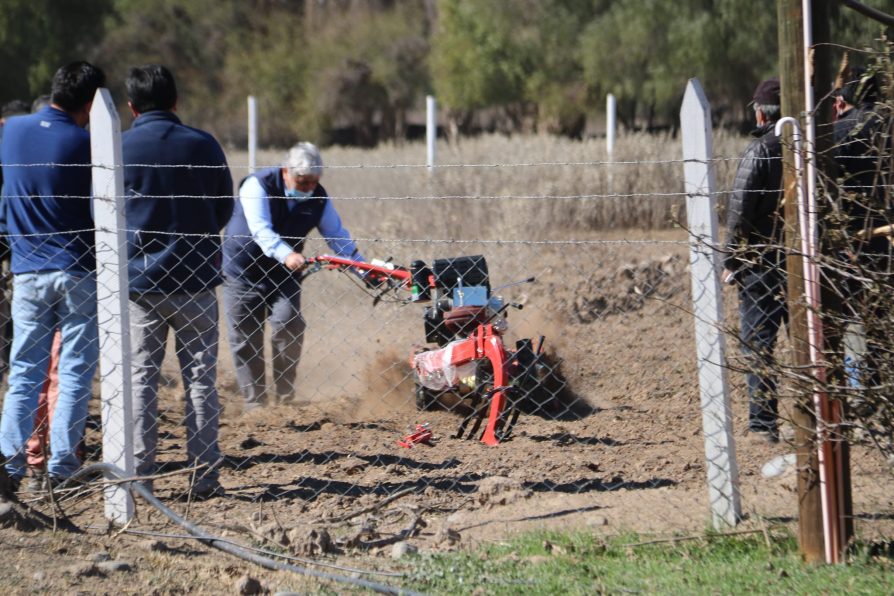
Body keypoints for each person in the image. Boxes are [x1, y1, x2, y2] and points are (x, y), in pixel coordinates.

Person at [122, 64, 233, 498]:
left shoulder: (120, 147)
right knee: (202, 382)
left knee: (140, 381)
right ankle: (205, 478)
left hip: (141, 286)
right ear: (176, 102)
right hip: (197, 283)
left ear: (131, 107)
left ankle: (138, 480)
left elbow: (103, 215)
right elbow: (224, 209)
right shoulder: (204, 144)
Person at [0, 61, 105, 489]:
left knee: (25, 370)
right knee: (75, 370)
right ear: (92, 102)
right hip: (78, 269)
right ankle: (63, 467)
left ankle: (9, 465)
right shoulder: (86, 143)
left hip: (26, 270)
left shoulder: (12, 131)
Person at [223, 142, 367, 410]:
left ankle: (285, 395)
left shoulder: (318, 199)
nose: (309, 188)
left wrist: (364, 270)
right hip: (242, 271)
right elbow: (260, 229)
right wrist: (287, 254)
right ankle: (256, 405)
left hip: (283, 276)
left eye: (314, 182)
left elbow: (338, 238)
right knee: (246, 338)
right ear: (285, 171)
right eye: (303, 182)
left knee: (289, 324)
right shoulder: (257, 186)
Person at [722, 77, 786, 444]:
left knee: (759, 344)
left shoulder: (760, 150)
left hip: (760, 264)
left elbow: (741, 209)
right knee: (815, 341)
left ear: (761, 112)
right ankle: (827, 416)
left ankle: (763, 425)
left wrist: (731, 258)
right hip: (802, 260)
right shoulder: (806, 145)